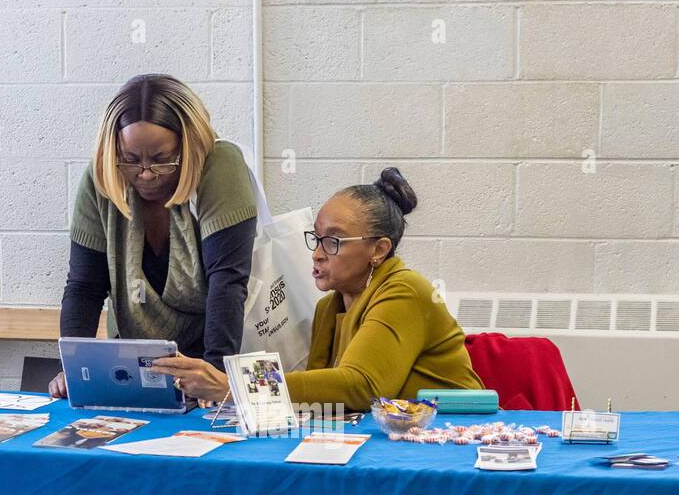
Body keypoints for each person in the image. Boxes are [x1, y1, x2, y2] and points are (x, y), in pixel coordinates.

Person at [153, 168, 483, 410]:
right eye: (316, 237)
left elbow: (360, 386)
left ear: (379, 250)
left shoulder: (404, 291)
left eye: (333, 241)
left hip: (451, 434)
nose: (317, 252)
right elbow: (322, 394)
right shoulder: (330, 305)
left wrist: (233, 384)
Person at [49, 74, 258, 398]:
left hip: (212, 358)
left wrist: (214, 378)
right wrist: (75, 369)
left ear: (188, 145)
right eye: (130, 160)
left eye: (162, 160)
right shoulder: (102, 177)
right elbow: (84, 288)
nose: (145, 174)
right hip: (135, 367)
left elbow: (227, 282)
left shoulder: (219, 166)